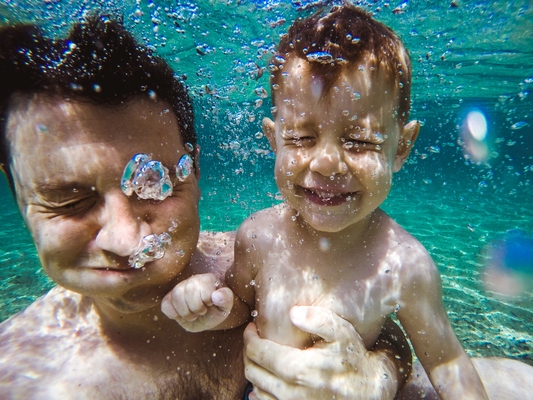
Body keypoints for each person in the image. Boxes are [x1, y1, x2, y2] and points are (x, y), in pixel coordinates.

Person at [0, 15, 413, 399]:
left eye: (152, 185)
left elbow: (379, 327)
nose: (125, 241)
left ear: (195, 171)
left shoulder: (263, 257)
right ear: (18, 196)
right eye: (70, 201)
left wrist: (375, 376)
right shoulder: (20, 375)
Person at [161, 5, 493, 399]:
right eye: (301, 138)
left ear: (400, 147)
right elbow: (242, 307)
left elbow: (447, 362)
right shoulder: (258, 236)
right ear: (273, 140)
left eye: (360, 140)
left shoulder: (405, 266)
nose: (327, 163)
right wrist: (211, 308)